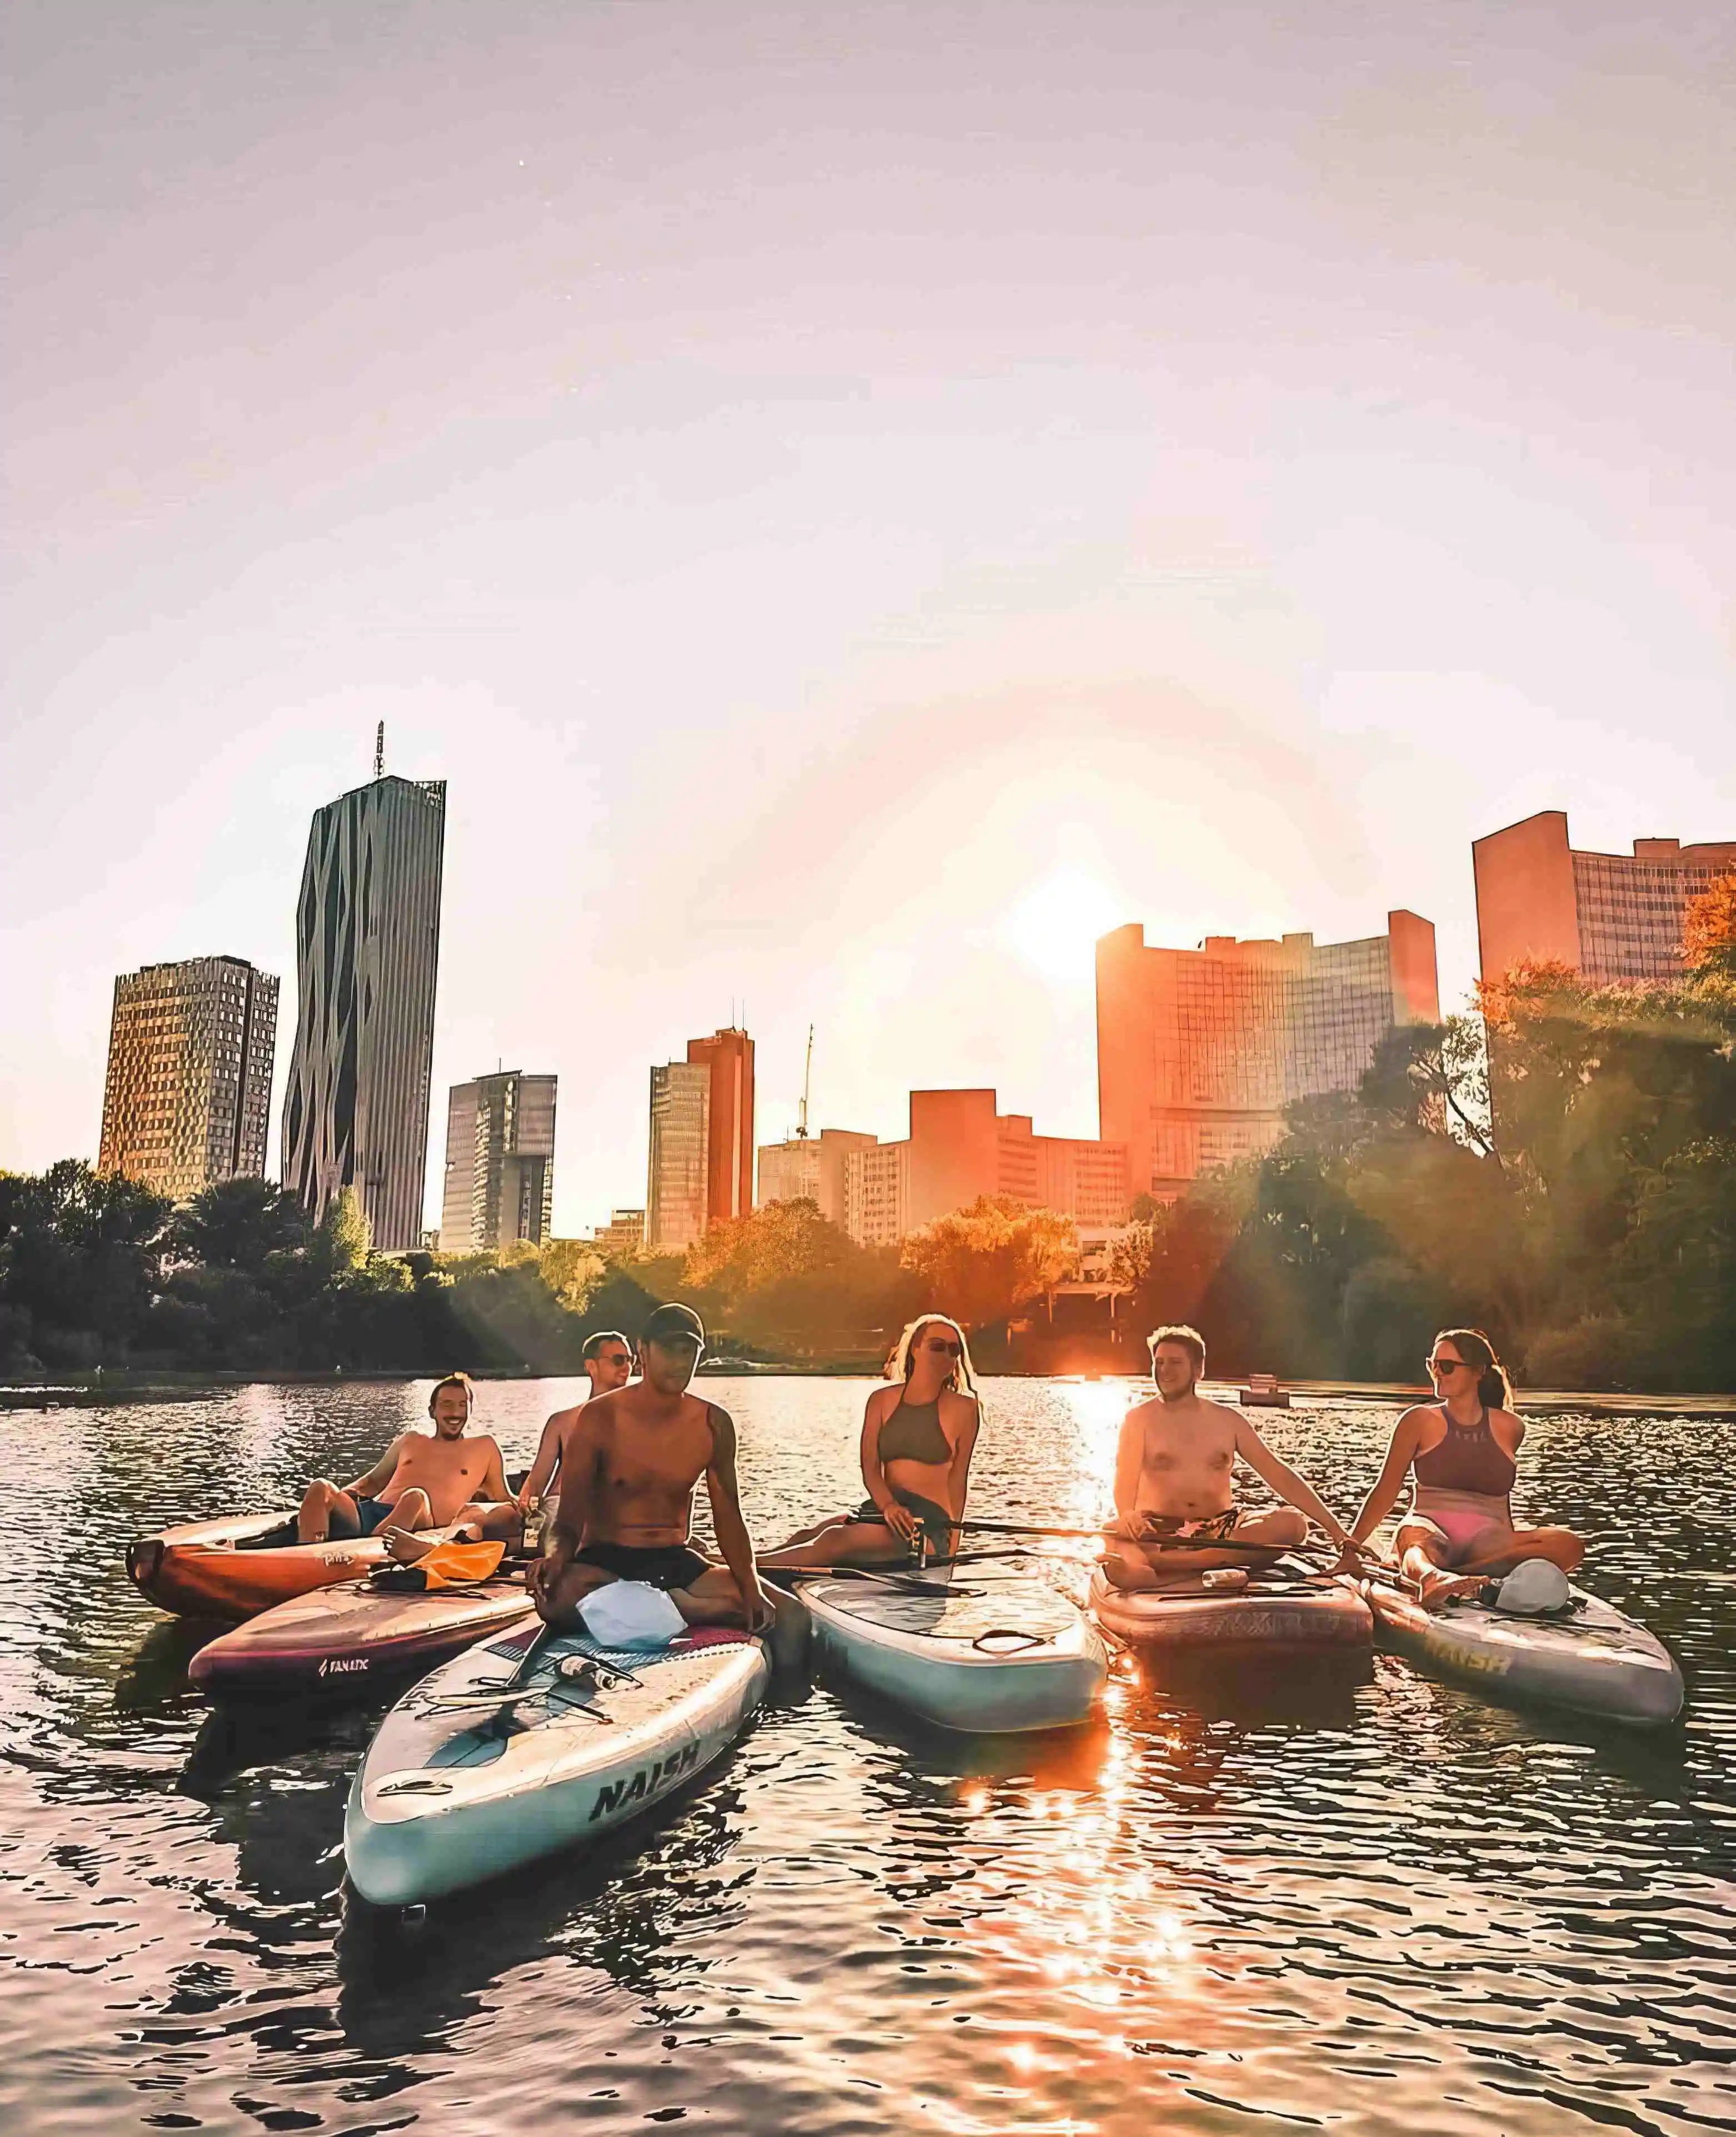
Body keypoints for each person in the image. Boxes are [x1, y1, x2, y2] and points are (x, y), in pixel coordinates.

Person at [530, 1302, 777, 1631]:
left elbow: (730, 1518)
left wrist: (752, 1587)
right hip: (607, 1562)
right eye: (668, 1350)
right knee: (556, 1598)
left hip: (674, 1561)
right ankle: (689, 1610)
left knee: (781, 1611)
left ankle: (664, 1605)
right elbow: (569, 1520)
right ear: (643, 1351)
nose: (679, 1362)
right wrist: (556, 1559)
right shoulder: (599, 1417)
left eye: (687, 1351)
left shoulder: (714, 1423)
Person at [1101, 1326, 1363, 1590]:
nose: (1164, 1371)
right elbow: (1125, 1480)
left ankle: (1174, 1564)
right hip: (1158, 1528)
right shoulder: (1138, 1420)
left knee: (1294, 1526)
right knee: (1120, 1547)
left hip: (1222, 1530)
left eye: (1175, 1363)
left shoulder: (1228, 1421)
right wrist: (1127, 1516)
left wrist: (1337, 1531)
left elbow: (1279, 1474)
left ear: (1198, 1370)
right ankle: (1185, 1562)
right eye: (1159, 1363)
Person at [1348, 1328, 1583, 1608]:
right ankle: (1431, 1577)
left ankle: (1466, 1578)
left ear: (1478, 1372)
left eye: (1447, 1366)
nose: (1437, 1373)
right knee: (1411, 1536)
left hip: (1486, 1542)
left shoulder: (1511, 1427)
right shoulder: (1418, 1420)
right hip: (1429, 1529)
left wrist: (1514, 1546)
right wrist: (1351, 1548)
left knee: (1569, 1545)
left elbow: (1501, 1501)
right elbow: (1386, 1491)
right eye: (1432, 1365)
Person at [388, 1329, 637, 1559]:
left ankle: (453, 1552)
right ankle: (443, 1549)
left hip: (593, 1515)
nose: (626, 1366)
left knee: (534, 1535)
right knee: (475, 1511)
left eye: (630, 1360)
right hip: (554, 1509)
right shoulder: (562, 1421)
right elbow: (537, 1483)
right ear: (591, 1366)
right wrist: (525, 1505)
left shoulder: (642, 1422)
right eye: (618, 1360)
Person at [760, 1314, 982, 1570]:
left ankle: (737, 1569)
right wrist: (887, 1505)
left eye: (954, 1350)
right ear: (916, 1350)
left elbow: (958, 1479)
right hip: (883, 1509)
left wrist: (950, 1547)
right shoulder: (880, 1401)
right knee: (811, 1534)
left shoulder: (965, 1409)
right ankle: (730, 1563)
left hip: (924, 1526)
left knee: (833, 1539)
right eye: (937, 1346)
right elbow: (870, 1466)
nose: (946, 1356)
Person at [296, 1373, 509, 1546]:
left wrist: (527, 1507)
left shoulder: (484, 1447)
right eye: (447, 1404)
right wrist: (337, 1501)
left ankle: (368, 1549)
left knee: (414, 1497)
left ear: (471, 1409)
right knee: (320, 1488)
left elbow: (502, 1497)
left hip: (420, 1522)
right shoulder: (411, 1440)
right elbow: (371, 1483)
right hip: (374, 1512)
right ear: (432, 1411)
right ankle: (305, 1554)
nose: (455, 1412)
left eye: (463, 1405)